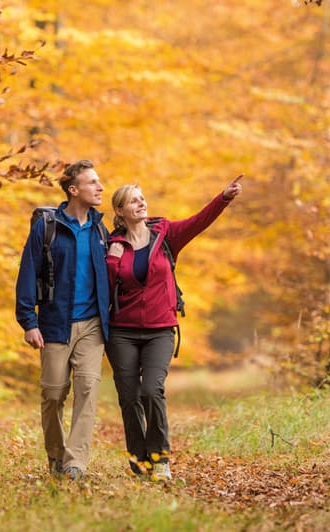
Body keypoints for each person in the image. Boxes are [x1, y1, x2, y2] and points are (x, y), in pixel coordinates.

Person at [106, 175, 243, 481]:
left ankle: (160, 459)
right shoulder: (112, 246)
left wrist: (223, 198)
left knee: (151, 390)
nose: (141, 203)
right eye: (133, 200)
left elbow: (198, 221)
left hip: (160, 329)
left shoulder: (165, 234)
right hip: (122, 332)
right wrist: (113, 261)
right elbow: (103, 289)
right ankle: (139, 461)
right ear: (120, 210)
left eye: (142, 198)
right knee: (129, 398)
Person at [15, 159, 110, 481]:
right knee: (54, 394)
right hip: (55, 323)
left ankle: (75, 463)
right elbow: (28, 273)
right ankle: (56, 456)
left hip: (92, 325)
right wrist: (29, 321)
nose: (100, 188)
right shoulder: (48, 227)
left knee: (88, 389)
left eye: (99, 182)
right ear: (73, 189)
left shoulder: (101, 229)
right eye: (92, 182)